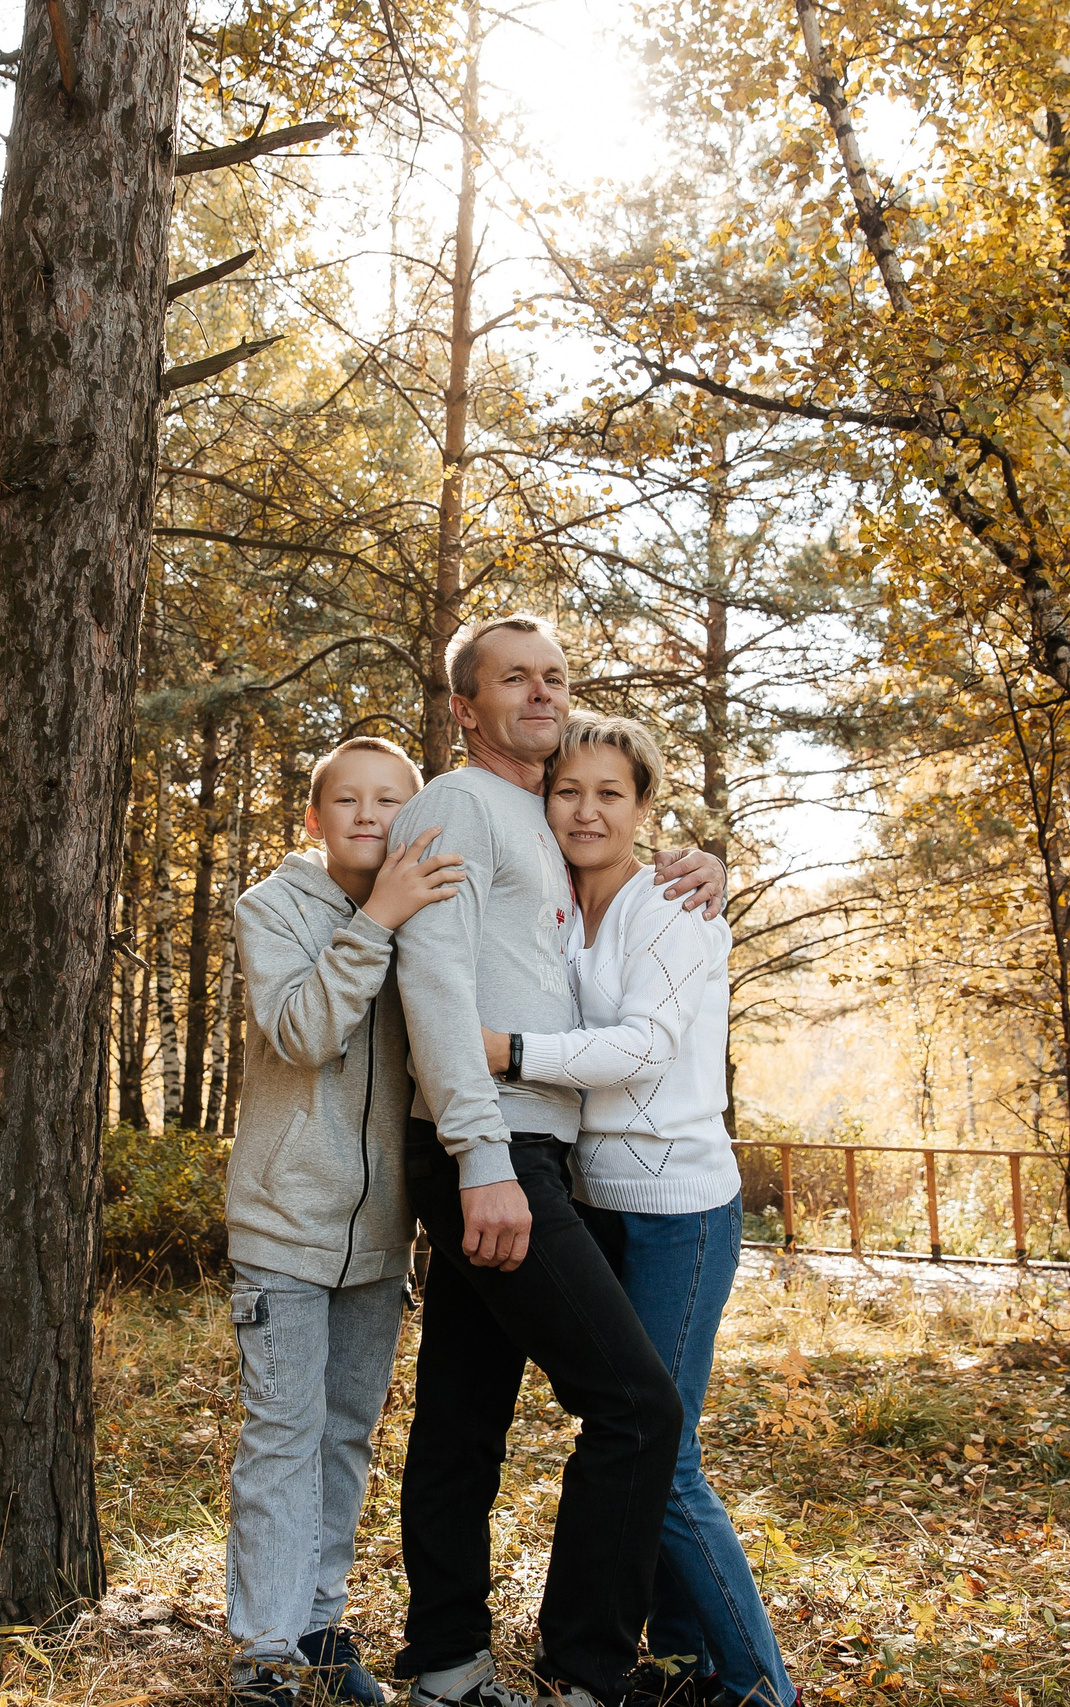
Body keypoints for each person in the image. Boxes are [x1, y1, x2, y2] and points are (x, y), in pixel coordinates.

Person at [389, 614, 711, 1707]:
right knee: (638, 1409)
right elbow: (431, 984)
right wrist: (482, 1158)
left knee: (463, 1423)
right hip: (491, 1147)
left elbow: (609, 857)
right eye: (512, 679)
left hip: (527, 1148)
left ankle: (447, 1668)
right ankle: (585, 1673)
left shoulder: (535, 815)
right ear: (463, 706)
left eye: (555, 678)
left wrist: (693, 856)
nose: (540, 695)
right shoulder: (452, 806)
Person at [483, 714, 794, 1707]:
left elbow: (644, 1046)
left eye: (608, 794)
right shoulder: (561, 910)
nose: (584, 809)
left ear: (641, 810)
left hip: (679, 1209)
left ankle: (758, 1687)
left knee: (664, 1459)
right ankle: (685, 1664)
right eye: (567, 790)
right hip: (596, 1203)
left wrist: (512, 1052)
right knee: (633, 1442)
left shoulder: (674, 904)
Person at [227, 736, 466, 1706]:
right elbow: (304, 1030)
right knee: (282, 1436)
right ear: (315, 815)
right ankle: (264, 1657)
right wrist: (379, 918)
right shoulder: (271, 907)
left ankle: (319, 1624)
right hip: (284, 1223)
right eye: (348, 800)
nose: (368, 816)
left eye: (389, 800)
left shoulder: (434, 910)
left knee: (345, 1435)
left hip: (380, 1236)